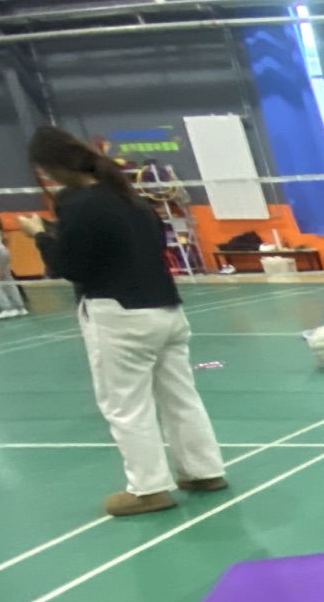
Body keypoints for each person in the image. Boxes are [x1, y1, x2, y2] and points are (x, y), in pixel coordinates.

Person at [17, 125, 225, 517]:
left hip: (119, 314)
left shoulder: (76, 202)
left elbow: (69, 264)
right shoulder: (130, 197)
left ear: (49, 168)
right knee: (181, 397)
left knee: (126, 405)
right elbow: (150, 245)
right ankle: (204, 471)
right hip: (166, 309)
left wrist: (40, 236)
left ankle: (149, 489)